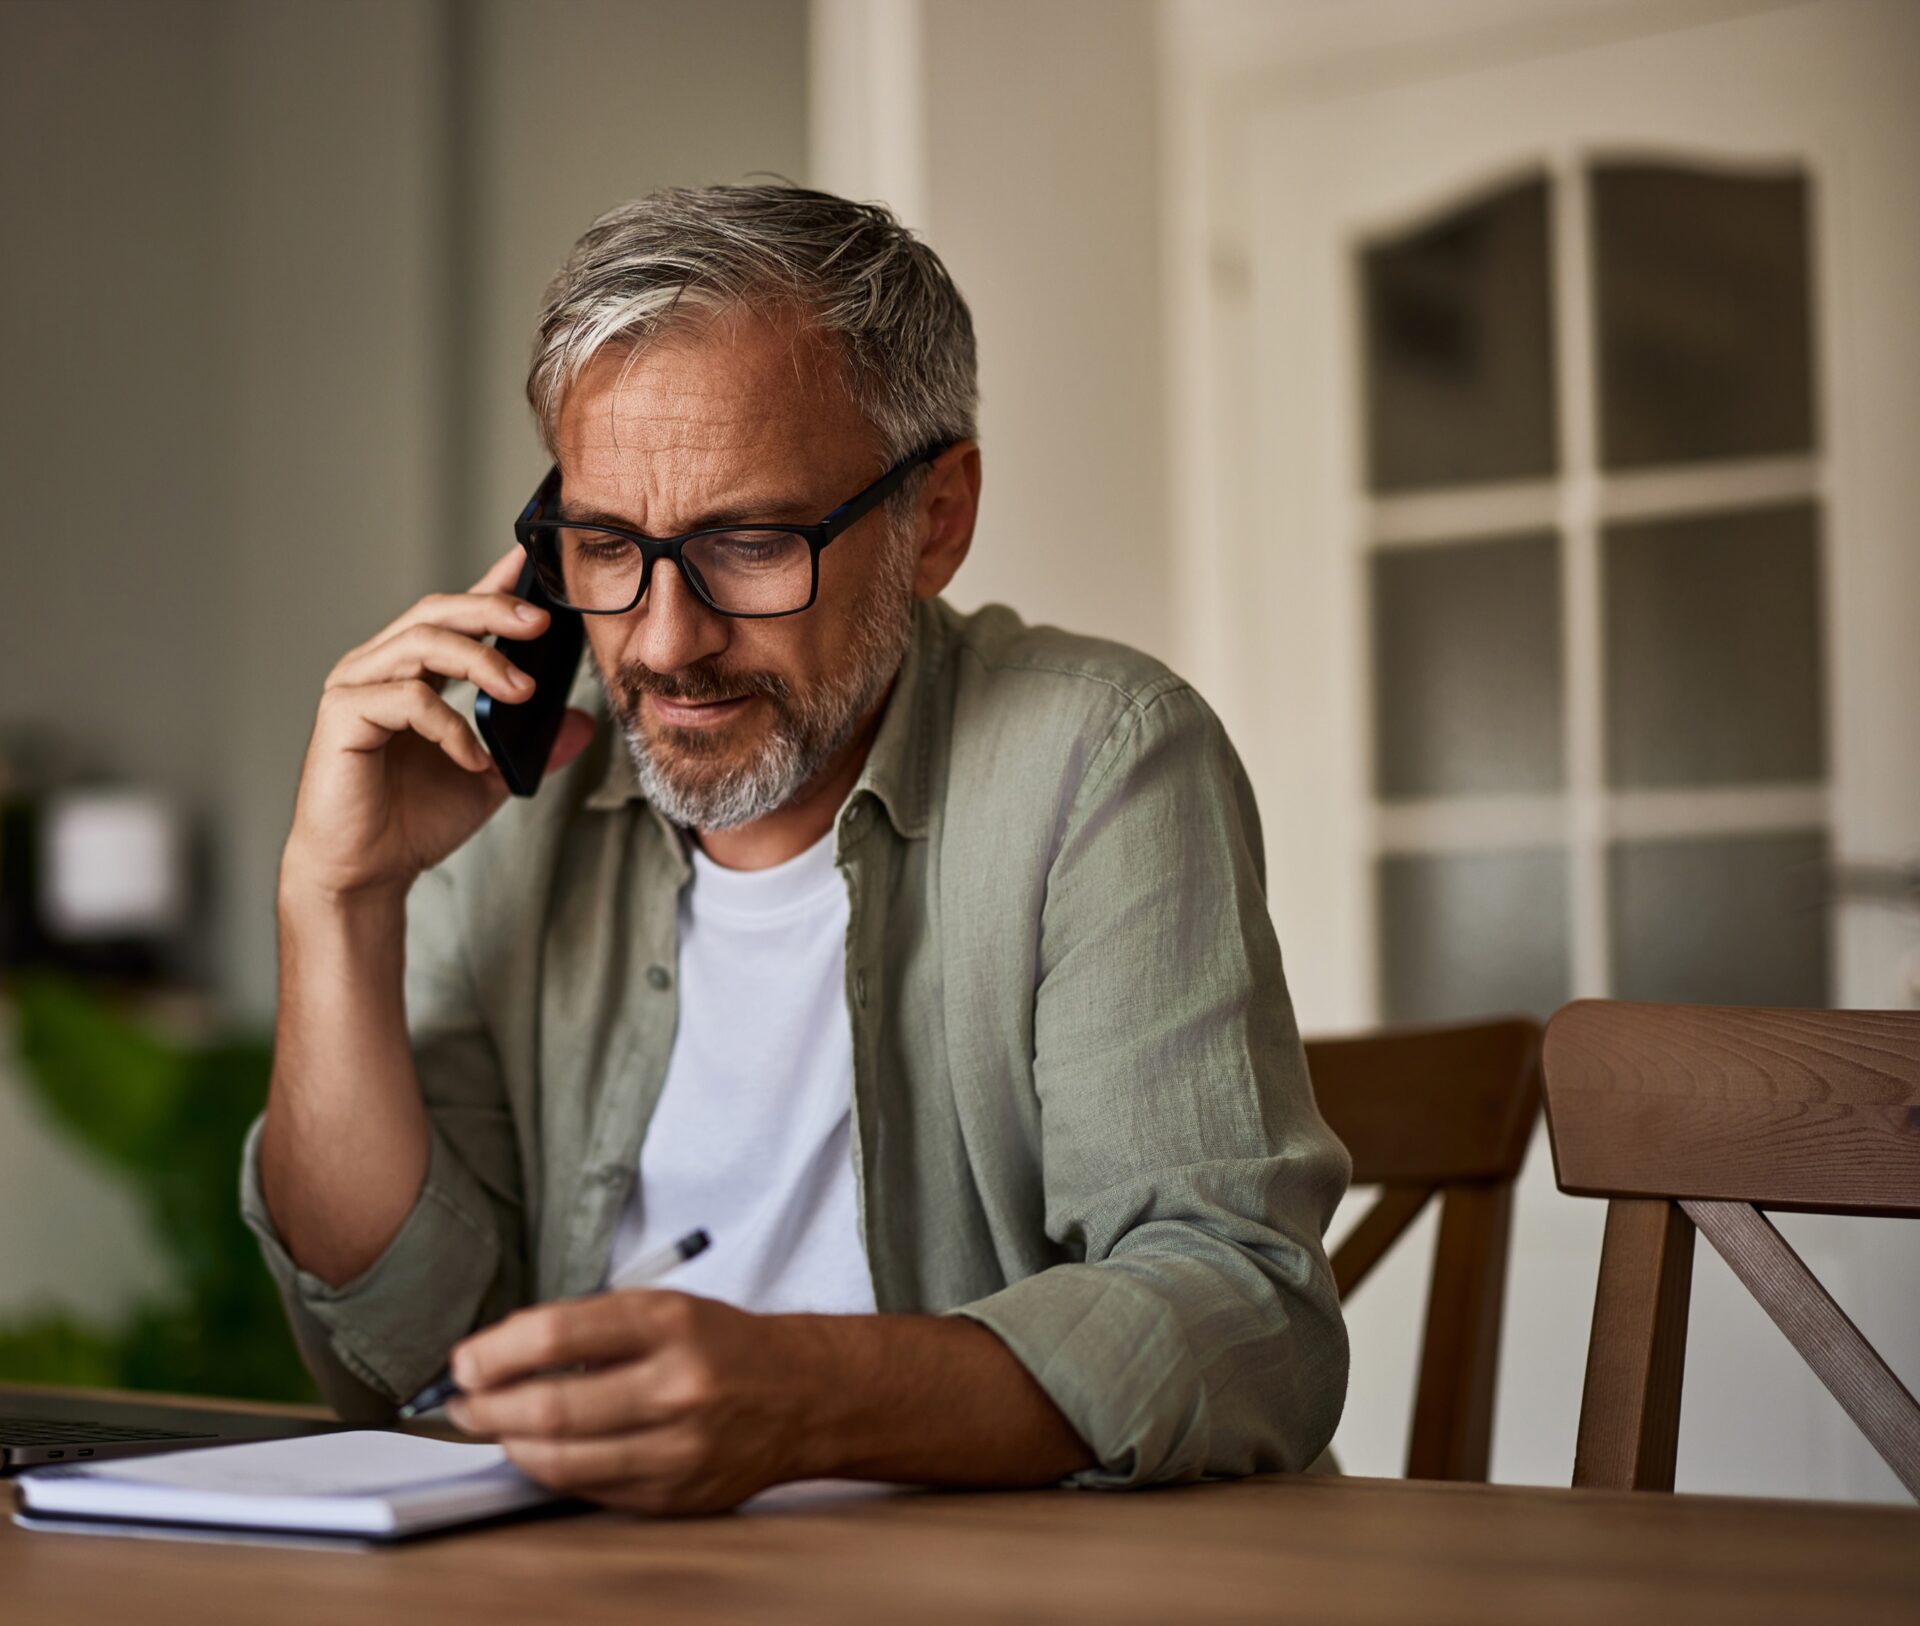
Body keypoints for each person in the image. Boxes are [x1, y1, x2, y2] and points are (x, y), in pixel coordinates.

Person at [243, 184, 1350, 1515]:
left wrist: (804, 1399)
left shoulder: (1101, 758)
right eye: (605, 545)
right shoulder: (510, 788)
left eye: (749, 543)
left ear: (936, 518)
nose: (661, 641)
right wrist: (340, 901)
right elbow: (408, 1362)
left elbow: (1245, 1315)